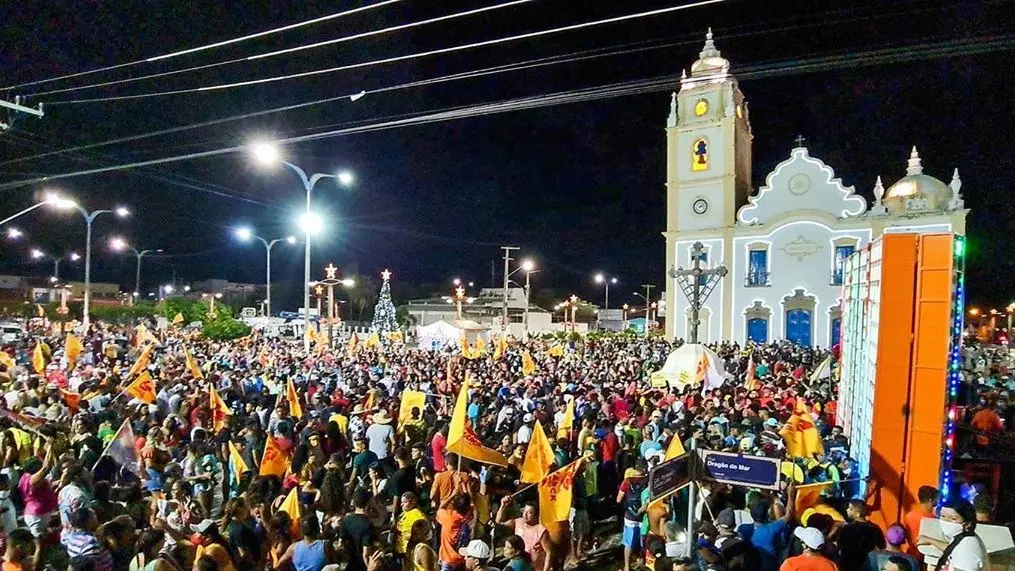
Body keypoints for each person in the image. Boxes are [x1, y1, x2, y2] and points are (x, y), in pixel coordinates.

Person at [917, 499, 988, 571]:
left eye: (953, 518)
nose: (946, 522)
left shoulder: (967, 549)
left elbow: (961, 553)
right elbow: (951, 548)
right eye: (943, 516)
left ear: (967, 524)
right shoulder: (963, 537)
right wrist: (929, 540)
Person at [495, 498, 548, 571]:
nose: (525, 515)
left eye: (529, 512)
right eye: (524, 511)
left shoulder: (541, 530)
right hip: (518, 562)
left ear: (536, 515)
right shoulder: (518, 522)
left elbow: (549, 553)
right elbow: (498, 524)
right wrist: (503, 506)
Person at [836, 500, 885, 571]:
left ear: (858, 513)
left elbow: (840, 546)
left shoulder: (847, 528)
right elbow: (881, 547)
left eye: (851, 509)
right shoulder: (875, 528)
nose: (847, 510)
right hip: (867, 565)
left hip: (848, 565)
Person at [341, 489, 377, 571]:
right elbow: (365, 554)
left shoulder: (346, 520)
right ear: (368, 503)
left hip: (350, 563)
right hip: (362, 565)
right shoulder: (367, 524)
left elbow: (341, 543)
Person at [902, 486, 937, 558]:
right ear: (930, 500)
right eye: (936, 499)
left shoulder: (909, 515)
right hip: (926, 556)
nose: (937, 501)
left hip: (911, 554)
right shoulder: (933, 519)